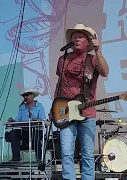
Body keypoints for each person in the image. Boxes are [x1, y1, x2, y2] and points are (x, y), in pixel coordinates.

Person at [52, 24, 109, 179]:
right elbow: (60, 83)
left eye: (80, 36)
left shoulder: (93, 59)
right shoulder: (63, 59)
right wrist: (54, 106)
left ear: (87, 42)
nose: (76, 39)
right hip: (65, 111)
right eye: (74, 36)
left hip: (87, 112)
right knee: (66, 151)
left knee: (87, 153)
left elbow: (105, 72)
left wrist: (98, 51)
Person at [7, 88, 46, 162]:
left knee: (36, 135)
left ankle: (39, 159)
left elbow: (43, 119)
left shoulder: (39, 106)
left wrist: (37, 120)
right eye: (24, 95)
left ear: (32, 95)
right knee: (13, 133)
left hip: (36, 131)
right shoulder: (22, 107)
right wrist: (12, 120)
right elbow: (17, 120)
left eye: (27, 95)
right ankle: (16, 158)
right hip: (24, 131)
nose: (26, 97)